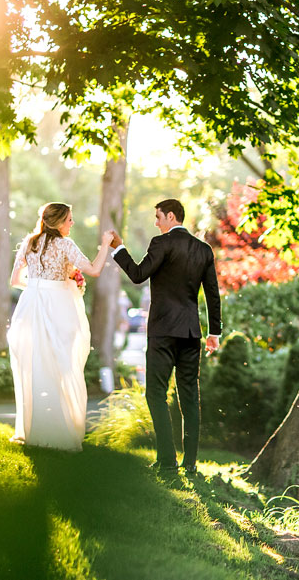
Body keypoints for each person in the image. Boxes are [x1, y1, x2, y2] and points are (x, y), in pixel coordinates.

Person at [109, 199, 222, 473]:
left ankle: (167, 460)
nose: (156, 222)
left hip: (162, 332)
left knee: (156, 394)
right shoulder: (204, 250)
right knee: (189, 397)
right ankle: (191, 464)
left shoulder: (161, 244)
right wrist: (214, 332)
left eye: (158, 216)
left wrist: (119, 248)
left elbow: (137, 275)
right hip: (191, 333)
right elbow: (212, 294)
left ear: (171, 216)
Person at [8, 202, 113, 451]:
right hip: (59, 311)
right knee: (62, 366)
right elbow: (95, 270)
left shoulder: (29, 243)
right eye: (68, 220)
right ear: (57, 222)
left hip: (29, 307)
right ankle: (60, 432)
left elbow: (15, 281)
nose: (72, 224)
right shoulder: (65, 244)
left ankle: (34, 431)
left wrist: (40, 287)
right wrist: (106, 243)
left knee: (34, 366)